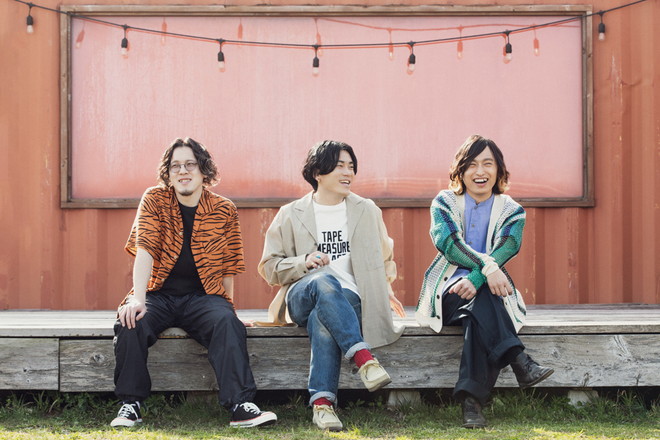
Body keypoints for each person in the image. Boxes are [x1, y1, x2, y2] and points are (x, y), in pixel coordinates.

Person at [111, 137, 277, 429]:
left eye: (190, 164)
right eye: (175, 166)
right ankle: (131, 404)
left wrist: (229, 311)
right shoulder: (154, 199)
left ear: (203, 170)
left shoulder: (224, 209)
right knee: (130, 321)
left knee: (227, 322)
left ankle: (240, 406)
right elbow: (144, 249)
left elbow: (228, 266)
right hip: (158, 294)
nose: (183, 171)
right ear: (168, 172)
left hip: (203, 297)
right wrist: (137, 299)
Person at [258, 140, 405, 431]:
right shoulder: (291, 213)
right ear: (317, 173)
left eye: (351, 167)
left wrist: (386, 290)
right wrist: (303, 261)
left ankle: (322, 405)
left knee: (322, 319)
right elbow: (269, 267)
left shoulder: (366, 210)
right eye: (340, 166)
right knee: (324, 281)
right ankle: (364, 359)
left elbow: (385, 257)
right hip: (302, 294)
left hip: (350, 299)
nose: (348, 173)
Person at [416, 135, 554, 429]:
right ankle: (519, 360)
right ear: (461, 171)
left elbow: (508, 246)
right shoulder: (444, 202)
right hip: (448, 291)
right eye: (472, 165)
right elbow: (450, 245)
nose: (480, 172)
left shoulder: (512, 210)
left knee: (480, 309)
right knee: (486, 299)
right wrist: (488, 269)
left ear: (499, 170)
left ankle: (471, 402)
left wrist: (477, 277)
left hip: (488, 291)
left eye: (488, 164)